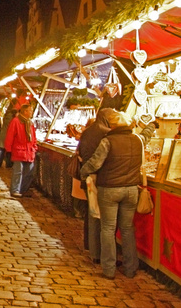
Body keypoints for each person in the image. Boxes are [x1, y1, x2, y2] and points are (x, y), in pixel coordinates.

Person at [80, 111, 156, 279]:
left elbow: (94, 163)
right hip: (130, 189)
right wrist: (152, 126)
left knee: (107, 228)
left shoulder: (108, 141)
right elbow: (146, 137)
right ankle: (130, 268)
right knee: (127, 228)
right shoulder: (137, 140)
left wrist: (83, 172)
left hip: (109, 190)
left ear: (112, 126)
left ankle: (108, 269)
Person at [77, 108, 116, 264]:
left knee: (91, 213)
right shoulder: (105, 133)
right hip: (98, 177)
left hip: (87, 177)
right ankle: (98, 253)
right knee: (98, 217)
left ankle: (91, 248)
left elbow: (79, 151)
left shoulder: (88, 131)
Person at [5, 104, 38, 197]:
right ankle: (15, 190)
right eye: (30, 110)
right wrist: (8, 149)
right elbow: (10, 136)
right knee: (18, 172)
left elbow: (33, 137)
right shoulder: (16, 121)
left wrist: (34, 147)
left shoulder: (30, 123)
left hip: (29, 151)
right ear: (25, 111)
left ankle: (23, 190)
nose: (32, 112)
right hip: (19, 151)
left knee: (29, 173)